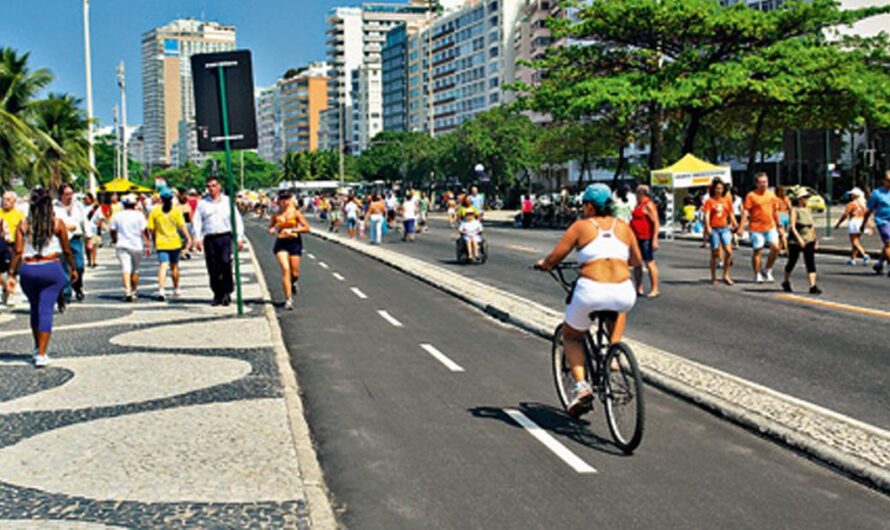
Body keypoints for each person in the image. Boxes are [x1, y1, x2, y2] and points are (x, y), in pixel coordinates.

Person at [535, 184, 642, 417]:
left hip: (591, 290)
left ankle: (582, 388)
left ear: (590, 206)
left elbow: (556, 256)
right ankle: (613, 353)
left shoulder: (581, 226)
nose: (582, 209)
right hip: (624, 291)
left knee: (571, 336)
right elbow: (636, 260)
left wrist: (545, 264)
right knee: (619, 308)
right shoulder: (623, 227)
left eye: (584, 205)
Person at [7, 188, 77, 367]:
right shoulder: (57, 223)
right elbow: (67, 250)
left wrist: (12, 273)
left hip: (29, 269)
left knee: (35, 308)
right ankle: (42, 354)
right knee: (46, 310)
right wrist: (72, 268)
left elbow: (18, 251)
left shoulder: (23, 224)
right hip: (51, 268)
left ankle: (38, 347)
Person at [193, 176, 245, 306]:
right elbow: (197, 222)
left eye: (214, 185)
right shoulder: (203, 203)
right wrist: (197, 238)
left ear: (219, 186)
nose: (211, 189)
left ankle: (227, 291)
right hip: (210, 238)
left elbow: (236, 220)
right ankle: (217, 293)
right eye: (209, 186)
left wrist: (239, 237)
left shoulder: (227, 202)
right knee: (213, 267)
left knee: (226, 263)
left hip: (225, 236)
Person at [147, 188, 192, 301]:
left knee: (163, 266)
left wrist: (152, 240)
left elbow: (151, 229)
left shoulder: (155, 211)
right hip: (174, 242)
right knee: (174, 266)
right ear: (172, 198)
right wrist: (188, 238)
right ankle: (176, 288)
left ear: (160, 199)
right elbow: (182, 226)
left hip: (161, 243)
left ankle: (161, 290)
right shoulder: (176, 211)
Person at [269, 192, 310, 310]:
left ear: (290, 200)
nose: (283, 201)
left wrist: (294, 229)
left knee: (294, 272)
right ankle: (288, 299)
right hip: (281, 243)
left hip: (294, 242)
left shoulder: (296, 213)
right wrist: (273, 230)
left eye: (286, 199)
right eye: (281, 199)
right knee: (285, 269)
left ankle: (293, 282)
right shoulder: (276, 215)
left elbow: (307, 228)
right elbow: (271, 227)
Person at [739, 172, 781, 283]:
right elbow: (745, 211)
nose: (764, 184)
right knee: (758, 250)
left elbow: (775, 211)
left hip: (770, 226)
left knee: (776, 248)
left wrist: (779, 225)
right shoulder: (751, 196)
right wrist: (741, 227)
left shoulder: (771, 195)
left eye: (765, 182)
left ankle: (767, 269)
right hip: (756, 228)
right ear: (756, 184)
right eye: (761, 182)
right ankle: (757, 273)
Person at [110, 194, 150, 302]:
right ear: (134, 204)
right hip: (137, 244)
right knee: (135, 270)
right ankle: (134, 291)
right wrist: (147, 243)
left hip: (122, 244)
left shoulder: (118, 215)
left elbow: (113, 230)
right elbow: (144, 230)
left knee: (125, 268)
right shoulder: (139, 215)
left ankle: (127, 291)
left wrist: (114, 239)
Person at [782, 189, 821, 294]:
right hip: (796, 240)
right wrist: (798, 238)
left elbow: (812, 226)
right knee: (792, 261)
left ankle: (813, 285)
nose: (806, 200)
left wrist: (815, 239)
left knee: (810, 262)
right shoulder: (795, 210)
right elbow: (792, 227)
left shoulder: (808, 210)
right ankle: (786, 281)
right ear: (799, 199)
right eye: (805, 198)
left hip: (808, 239)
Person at [54, 183, 87, 306]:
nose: (69, 197)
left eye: (71, 194)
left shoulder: (78, 206)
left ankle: (77, 286)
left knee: (79, 265)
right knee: (64, 266)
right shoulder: (55, 207)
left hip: (76, 238)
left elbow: (85, 221)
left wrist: (88, 237)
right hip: (61, 239)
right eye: (66, 194)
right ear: (61, 195)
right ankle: (66, 292)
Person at [703, 178, 737, 285]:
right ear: (713, 189)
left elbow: (730, 213)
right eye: (717, 188)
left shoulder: (727, 200)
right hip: (714, 229)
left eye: (721, 188)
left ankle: (725, 274)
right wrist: (707, 226)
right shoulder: (709, 201)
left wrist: (734, 222)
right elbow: (707, 215)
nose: (719, 190)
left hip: (724, 228)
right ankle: (713, 277)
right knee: (715, 253)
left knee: (729, 252)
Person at [630, 184, 660, 298]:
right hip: (637, 236)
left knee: (649, 262)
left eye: (637, 192)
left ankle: (655, 288)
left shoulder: (649, 205)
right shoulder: (638, 205)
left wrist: (655, 239)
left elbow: (656, 222)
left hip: (646, 237)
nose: (636, 195)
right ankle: (639, 287)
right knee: (637, 263)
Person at [862, 170, 890, 277]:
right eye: (888, 180)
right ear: (884, 181)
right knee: (888, 243)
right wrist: (866, 223)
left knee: (888, 244)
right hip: (883, 221)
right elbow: (868, 210)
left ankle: (879, 264)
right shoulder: (877, 193)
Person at [1, 190, 25, 308]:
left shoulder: (19, 214)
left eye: (8, 199)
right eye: (3, 199)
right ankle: (6, 287)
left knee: (12, 271)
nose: (5, 202)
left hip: (13, 246)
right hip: (1, 245)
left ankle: (10, 293)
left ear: (14, 201)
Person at [834, 187, 869, 266]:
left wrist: (839, 223)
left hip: (854, 221)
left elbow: (845, 214)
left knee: (854, 241)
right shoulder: (863, 204)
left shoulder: (851, 204)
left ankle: (864, 254)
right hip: (861, 221)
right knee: (856, 241)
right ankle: (853, 259)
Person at [83, 193, 104, 268]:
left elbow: (101, 217)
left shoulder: (96, 208)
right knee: (87, 246)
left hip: (93, 229)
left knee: (94, 246)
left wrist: (99, 224)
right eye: (84, 199)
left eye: (86, 199)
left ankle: (94, 261)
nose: (85, 200)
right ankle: (89, 261)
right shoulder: (82, 207)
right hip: (85, 229)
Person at [774, 185, 792, 256]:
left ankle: (787, 249)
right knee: (782, 235)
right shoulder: (786, 198)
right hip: (786, 216)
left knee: (782, 235)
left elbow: (776, 209)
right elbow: (790, 208)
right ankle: (778, 250)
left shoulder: (776, 199)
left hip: (780, 216)